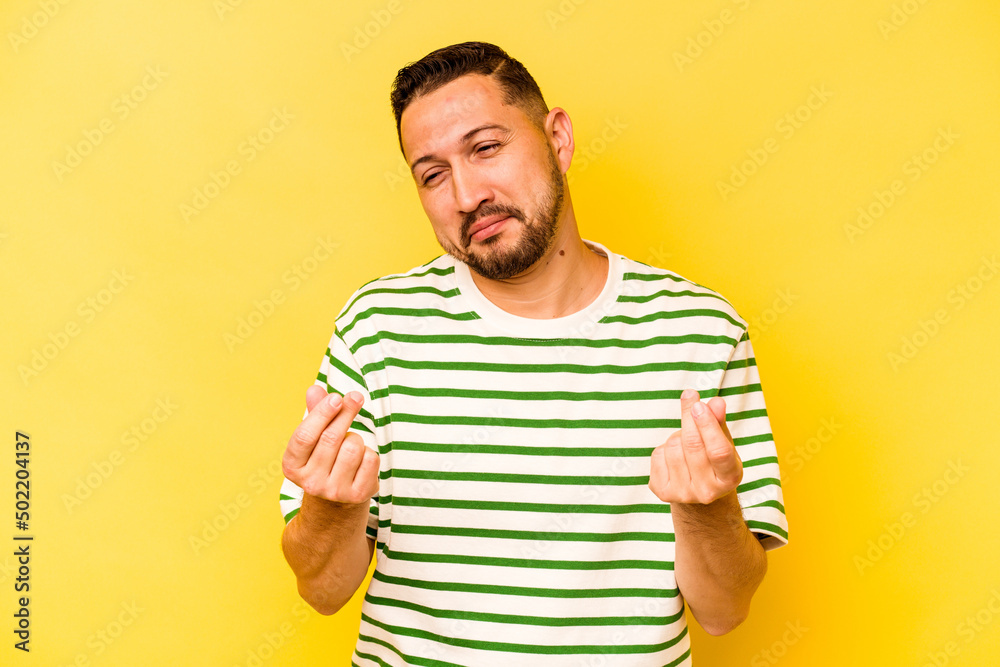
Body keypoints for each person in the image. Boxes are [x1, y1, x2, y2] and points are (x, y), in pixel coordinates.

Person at [278, 41, 788, 667]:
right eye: (433, 175)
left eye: (485, 148)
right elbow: (322, 591)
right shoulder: (376, 328)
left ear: (558, 139)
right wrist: (331, 508)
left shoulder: (700, 330)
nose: (467, 195)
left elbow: (724, 611)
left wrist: (705, 511)